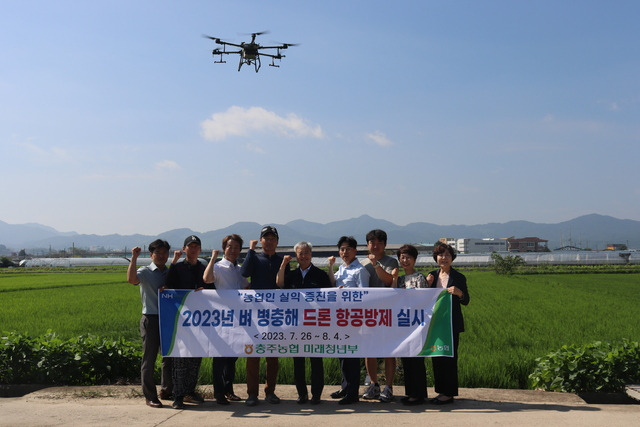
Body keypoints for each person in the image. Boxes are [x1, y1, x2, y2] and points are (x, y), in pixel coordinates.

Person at [276, 241, 332, 405]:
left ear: (311, 254)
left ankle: (316, 395)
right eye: (300, 253)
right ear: (296, 256)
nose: (304, 256)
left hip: (315, 325)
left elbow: (330, 297)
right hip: (295, 325)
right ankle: (302, 394)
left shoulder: (320, 275)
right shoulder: (291, 276)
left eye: (306, 252)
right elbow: (279, 285)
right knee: (298, 361)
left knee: (316, 361)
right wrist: (283, 264)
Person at [240, 225, 289, 406]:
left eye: (272, 238)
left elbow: (286, 285)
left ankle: (270, 392)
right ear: (261, 241)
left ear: (277, 241)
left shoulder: (281, 260)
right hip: (255, 312)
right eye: (266, 238)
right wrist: (251, 251)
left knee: (272, 355)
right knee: (253, 355)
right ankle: (252, 394)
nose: (269, 241)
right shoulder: (255, 258)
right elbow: (244, 272)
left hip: (276, 313)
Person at [203, 234, 249, 405]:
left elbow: (246, 286)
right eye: (230, 246)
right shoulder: (219, 267)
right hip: (222, 318)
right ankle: (219, 392)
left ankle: (229, 389)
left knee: (232, 356)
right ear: (224, 248)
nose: (233, 250)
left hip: (237, 319)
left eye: (237, 247)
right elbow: (207, 279)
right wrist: (213, 258)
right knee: (220, 357)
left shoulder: (238, 269)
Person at [127, 239, 173, 408]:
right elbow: (132, 280)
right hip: (151, 318)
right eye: (157, 253)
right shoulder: (145, 271)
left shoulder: (170, 272)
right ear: (151, 255)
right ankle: (150, 396)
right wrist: (134, 257)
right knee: (149, 358)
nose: (161, 256)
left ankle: (167, 390)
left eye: (164, 253)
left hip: (169, 319)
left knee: (169, 357)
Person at [165, 235, 209, 410]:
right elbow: (168, 286)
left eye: (196, 246)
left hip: (199, 320)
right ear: (184, 249)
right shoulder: (177, 267)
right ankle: (178, 395)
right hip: (180, 319)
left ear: (199, 249)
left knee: (196, 357)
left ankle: (190, 390)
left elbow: (210, 287)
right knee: (180, 358)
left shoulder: (203, 267)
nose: (193, 249)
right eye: (190, 247)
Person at [327, 236, 370, 405]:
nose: (344, 252)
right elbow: (332, 283)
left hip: (353, 318)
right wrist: (330, 266)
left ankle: (352, 392)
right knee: (342, 354)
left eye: (348, 249)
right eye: (342, 249)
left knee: (351, 355)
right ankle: (345, 387)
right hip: (340, 318)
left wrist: (348, 292)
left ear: (355, 251)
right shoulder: (341, 269)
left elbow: (365, 295)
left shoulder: (360, 270)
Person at [426, 243, 470, 405]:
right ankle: (440, 391)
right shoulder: (431, 275)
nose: (444, 258)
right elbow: (423, 298)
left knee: (449, 358)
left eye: (447, 255)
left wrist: (459, 293)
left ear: (452, 258)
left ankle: (449, 393)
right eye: (441, 255)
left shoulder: (458, 277)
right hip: (435, 324)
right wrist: (427, 284)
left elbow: (466, 300)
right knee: (437, 356)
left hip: (451, 325)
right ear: (436, 258)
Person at [360, 229, 400, 402]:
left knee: (389, 351)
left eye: (378, 243)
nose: (375, 246)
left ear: (384, 244)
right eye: (371, 242)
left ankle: (389, 386)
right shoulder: (361, 263)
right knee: (369, 350)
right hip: (367, 313)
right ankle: (374, 385)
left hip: (387, 312)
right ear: (367, 244)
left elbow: (389, 281)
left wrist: (376, 264)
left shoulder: (391, 261)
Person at [394, 244, 429, 406]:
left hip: (416, 324)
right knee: (406, 359)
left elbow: (423, 301)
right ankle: (411, 393)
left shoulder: (419, 278)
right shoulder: (400, 279)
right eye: (402, 258)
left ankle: (418, 394)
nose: (405, 261)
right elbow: (392, 297)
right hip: (403, 325)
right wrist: (394, 278)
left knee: (416, 360)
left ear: (414, 259)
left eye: (408, 257)